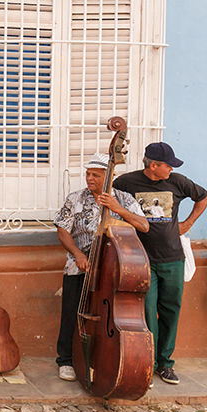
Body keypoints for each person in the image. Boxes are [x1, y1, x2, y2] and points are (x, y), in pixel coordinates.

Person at [113, 142, 207, 385]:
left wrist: (187, 224)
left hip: (173, 258)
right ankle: (149, 362)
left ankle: (166, 363)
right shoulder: (126, 183)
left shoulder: (177, 181)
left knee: (170, 310)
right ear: (153, 165)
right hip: (140, 259)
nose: (171, 169)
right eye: (168, 165)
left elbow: (204, 196)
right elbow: (113, 208)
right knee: (146, 312)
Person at [53, 155, 149, 381]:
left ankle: (109, 357)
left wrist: (118, 209)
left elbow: (144, 226)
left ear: (109, 177)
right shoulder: (75, 199)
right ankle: (65, 359)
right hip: (81, 264)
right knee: (71, 312)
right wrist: (77, 254)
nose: (89, 178)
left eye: (95, 175)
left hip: (113, 266)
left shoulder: (125, 200)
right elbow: (62, 230)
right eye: (88, 174)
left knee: (112, 313)